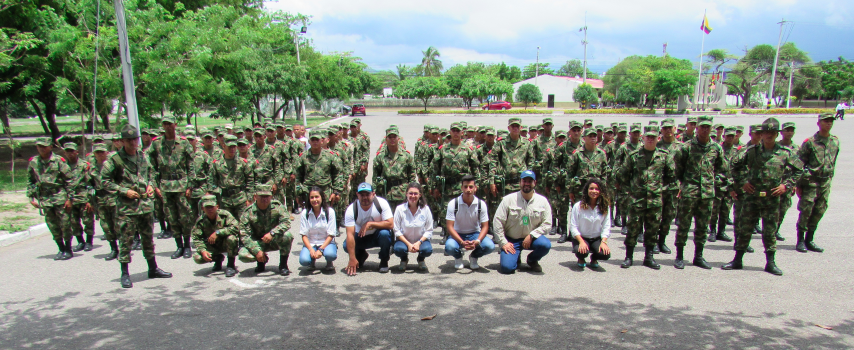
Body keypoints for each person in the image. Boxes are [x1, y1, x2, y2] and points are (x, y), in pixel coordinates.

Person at [723, 118, 803, 275]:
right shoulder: (752, 151)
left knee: (770, 231)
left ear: (776, 134)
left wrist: (786, 185)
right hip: (752, 197)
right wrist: (743, 182)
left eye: (773, 133)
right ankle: (738, 259)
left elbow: (799, 170)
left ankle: (770, 262)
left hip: (771, 198)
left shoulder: (785, 153)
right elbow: (734, 165)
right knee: (745, 228)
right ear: (761, 134)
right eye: (766, 132)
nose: (769, 135)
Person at [100, 125, 173, 288]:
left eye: (135, 139)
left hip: (145, 205)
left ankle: (153, 268)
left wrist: (151, 185)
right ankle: (125, 273)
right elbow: (104, 181)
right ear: (123, 141)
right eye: (129, 140)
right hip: (127, 208)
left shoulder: (142, 156)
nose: (133, 142)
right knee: (126, 241)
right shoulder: (115, 160)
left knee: (148, 239)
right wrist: (123, 191)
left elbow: (151, 173)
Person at [671, 115, 727, 270]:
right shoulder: (686, 147)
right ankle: (680, 256)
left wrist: (714, 183)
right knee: (684, 225)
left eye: (707, 127)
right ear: (696, 128)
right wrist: (684, 185)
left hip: (707, 195)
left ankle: (698, 256)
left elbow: (722, 169)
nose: (704, 129)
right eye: (702, 126)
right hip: (689, 193)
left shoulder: (716, 148)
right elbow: (678, 169)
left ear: (711, 128)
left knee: (702, 227)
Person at [617, 126, 675, 269]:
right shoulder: (634, 156)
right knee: (633, 228)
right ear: (643, 138)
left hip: (655, 200)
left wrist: (658, 188)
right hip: (637, 200)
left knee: (652, 229)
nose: (650, 139)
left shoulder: (664, 156)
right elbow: (622, 175)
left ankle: (649, 257)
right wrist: (631, 191)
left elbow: (670, 175)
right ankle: (629, 257)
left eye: (653, 137)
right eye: (648, 137)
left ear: (658, 139)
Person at [147, 116, 195, 260]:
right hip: (165, 186)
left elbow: (190, 166)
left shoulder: (184, 143)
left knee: (185, 217)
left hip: (181, 184)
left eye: (170, 124)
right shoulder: (156, 145)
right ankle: (179, 245)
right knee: (172, 218)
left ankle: (187, 245)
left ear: (175, 124)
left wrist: (190, 185)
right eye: (165, 124)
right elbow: (152, 167)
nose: (167, 126)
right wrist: (155, 186)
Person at [795, 113, 839, 253]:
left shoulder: (835, 141)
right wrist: (799, 184)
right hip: (811, 182)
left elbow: (833, 160)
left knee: (820, 210)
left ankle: (810, 239)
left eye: (831, 121)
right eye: (826, 121)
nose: (829, 123)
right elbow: (800, 163)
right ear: (819, 123)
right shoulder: (810, 142)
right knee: (806, 210)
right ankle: (800, 240)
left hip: (825, 182)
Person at [493, 170, 552, 274]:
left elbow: (547, 224)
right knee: (507, 268)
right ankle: (516, 257)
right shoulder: (508, 199)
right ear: (520, 182)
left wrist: (532, 235)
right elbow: (498, 221)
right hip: (512, 240)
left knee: (545, 245)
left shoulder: (542, 201)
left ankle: (532, 260)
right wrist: (503, 243)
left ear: (535, 183)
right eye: (524, 181)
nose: (527, 184)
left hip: (532, 239)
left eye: (530, 181)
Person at [28, 137, 74, 260]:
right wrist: (31, 197)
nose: (41, 149)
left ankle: (68, 249)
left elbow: (69, 180)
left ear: (50, 147)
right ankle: (61, 248)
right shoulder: (33, 162)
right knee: (52, 225)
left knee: (65, 224)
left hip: (59, 196)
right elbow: (31, 181)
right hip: (45, 198)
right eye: (39, 146)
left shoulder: (59, 161)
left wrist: (69, 198)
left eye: (44, 146)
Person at [238, 185, 294, 276]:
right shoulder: (248, 212)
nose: (265, 199)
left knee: (287, 236)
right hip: (258, 243)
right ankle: (261, 260)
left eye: (267, 196)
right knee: (243, 255)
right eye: (261, 196)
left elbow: (286, 222)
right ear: (255, 197)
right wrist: (257, 251)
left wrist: (272, 233)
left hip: (274, 240)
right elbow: (244, 235)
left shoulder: (277, 206)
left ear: (271, 196)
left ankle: (283, 265)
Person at [444, 174, 494, 270]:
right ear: (461, 188)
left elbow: (485, 226)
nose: (468, 189)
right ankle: (458, 257)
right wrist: (462, 242)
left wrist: (477, 241)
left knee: (489, 246)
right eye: (465, 186)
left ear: (475, 188)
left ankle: (474, 257)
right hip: (457, 234)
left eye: (471, 187)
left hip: (474, 233)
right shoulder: (453, 203)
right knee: (449, 247)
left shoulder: (481, 204)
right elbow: (450, 226)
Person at [344, 183, 394, 275]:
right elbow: (350, 235)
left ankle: (384, 260)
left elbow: (390, 224)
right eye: (361, 195)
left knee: (385, 234)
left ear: (373, 194)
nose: (365, 198)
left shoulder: (381, 203)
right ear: (357, 195)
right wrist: (351, 258)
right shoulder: (351, 209)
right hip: (361, 236)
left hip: (377, 236)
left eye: (367, 194)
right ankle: (360, 255)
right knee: (345, 245)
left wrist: (370, 224)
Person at [191, 195, 240, 277]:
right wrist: (203, 251)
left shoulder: (225, 215)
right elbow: (197, 238)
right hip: (211, 245)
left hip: (225, 243)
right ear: (203, 208)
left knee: (232, 238)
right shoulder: (200, 221)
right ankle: (217, 259)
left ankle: (231, 265)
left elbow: (236, 228)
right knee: (198, 258)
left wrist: (218, 232)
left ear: (217, 206)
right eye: (207, 207)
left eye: (212, 207)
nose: (210, 209)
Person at [569, 178, 612, 269]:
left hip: (596, 238)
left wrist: (604, 242)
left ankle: (594, 258)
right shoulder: (578, 206)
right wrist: (581, 242)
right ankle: (581, 258)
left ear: (601, 191)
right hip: (581, 237)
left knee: (605, 254)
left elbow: (606, 226)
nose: (594, 191)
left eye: (597, 189)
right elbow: (573, 227)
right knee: (582, 252)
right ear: (586, 190)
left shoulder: (604, 207)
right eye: (591, 188)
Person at [392, 182, 434, 271]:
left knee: (427, 250)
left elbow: (429, 230)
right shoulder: (400, 209)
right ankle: (404, 259)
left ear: (420, 195)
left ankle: (421, 259)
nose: (413, 196)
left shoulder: (425, 209)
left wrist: (418, 243)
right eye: (410, 193)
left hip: (421, 240)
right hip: (404, 241)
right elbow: (396, 230)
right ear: (406, 194)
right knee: (399, 249)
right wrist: (408, 244)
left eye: (416, 193)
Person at [298, 187, 338, 271]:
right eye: (312, 197)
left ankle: (329, 261)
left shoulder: (329, 212)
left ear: (322, 198)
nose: (314, 199)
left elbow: (331, 234)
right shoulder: (305, 213)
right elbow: (304, 235)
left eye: (317, 197)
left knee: (330, 254)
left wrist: (321, 249)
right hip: (311, 243)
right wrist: (310, 249)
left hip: (326, 242)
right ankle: (311, 260)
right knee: (304, 261)